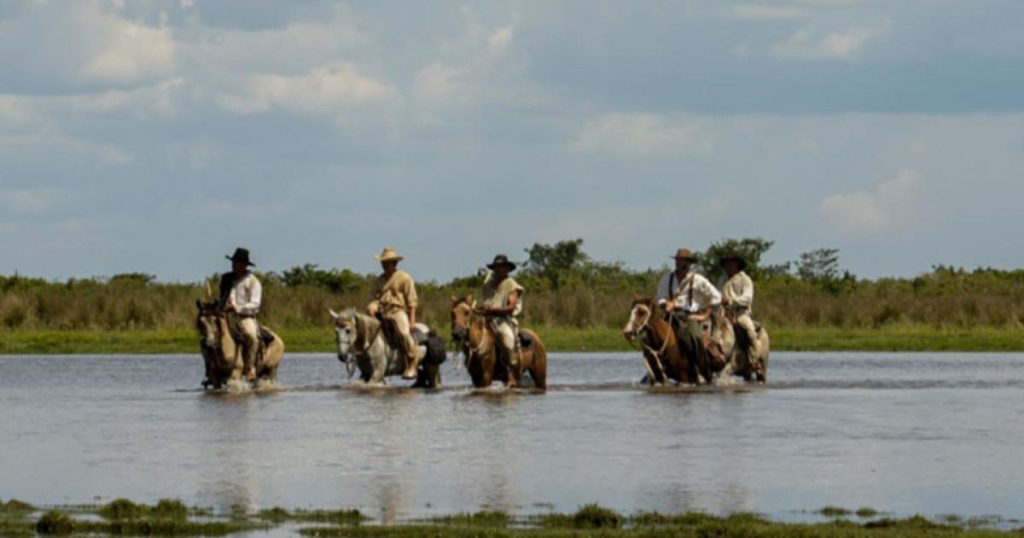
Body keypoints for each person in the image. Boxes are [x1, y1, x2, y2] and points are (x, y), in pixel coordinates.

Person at [657, 248, 722, 383]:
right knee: (653, 335)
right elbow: (660, 297)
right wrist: (666, 304)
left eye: (681, 260)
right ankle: (655, 369)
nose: (678, 263)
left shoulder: (698, 280)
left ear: (688, 263)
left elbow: (716, 297)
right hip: (669, 315)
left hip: (688, 316)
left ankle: (702, 369)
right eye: (677, 260)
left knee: (697, 337)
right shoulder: (667, 278)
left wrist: (704, 315)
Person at [367, 248, 420, 379]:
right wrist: (374, 308)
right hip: (381, 308)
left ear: (394, 263)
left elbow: (412, 301)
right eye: (383, 262)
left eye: (387, 262)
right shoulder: (379, 280)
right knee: (369, 310)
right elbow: (374, 297)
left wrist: (412, 320)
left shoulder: (404, 278)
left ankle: (412, 361)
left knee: (404, 333)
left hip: (397, 310)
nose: (384, 265)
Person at [473, 255, 525, 387]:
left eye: (501, 267)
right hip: (488, 320)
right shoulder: (488, 285)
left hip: (503, 320)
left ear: (507, 269)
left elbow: (511, 307)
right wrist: (477, 311)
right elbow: (486, 305)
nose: (498, 270)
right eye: (496, 267)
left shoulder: (511, 284)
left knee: (507, 340)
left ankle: (511, 372)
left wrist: (492, 311)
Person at [219, 247, 262, 382]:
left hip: (244, 316)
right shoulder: (226, 279)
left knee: (252, 336)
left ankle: (250, 368)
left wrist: (236, 308)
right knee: (211, 335)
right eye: (233, 262)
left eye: (237, 263)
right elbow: (222, 297)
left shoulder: (253, 281)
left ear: (244, 265)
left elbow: (255, 304)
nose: (234, 265)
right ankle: (212, 368)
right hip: (225, 314)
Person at [719, 253, 761, 362]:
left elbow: (747, 298)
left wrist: (731, 301)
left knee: (749, 330)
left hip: (740, 313)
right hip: (722, 313)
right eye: (726, 264)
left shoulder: (745, 279)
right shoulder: (721, 279)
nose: (728, 266)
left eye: (731, 264)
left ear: (737, 265)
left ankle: (754, 359)